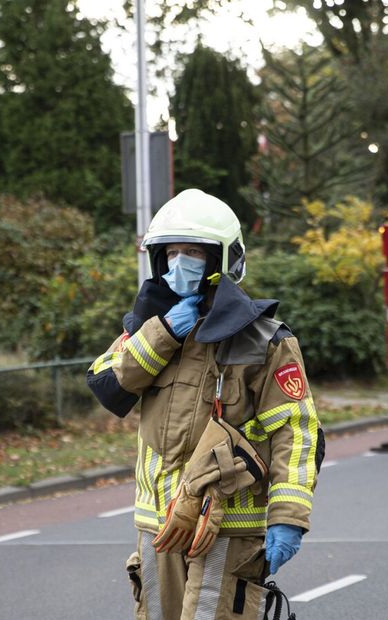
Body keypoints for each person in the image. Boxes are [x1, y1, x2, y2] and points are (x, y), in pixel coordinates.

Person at [85, 189, 323, 619]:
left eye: (193, 251)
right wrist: (162, 335)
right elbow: (108, 385)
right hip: (159, 528)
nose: (180, 263)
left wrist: (288, 515)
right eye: (171, 252)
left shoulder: (266, 341)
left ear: (224, 259)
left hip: (229, 529)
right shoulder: (147, 329)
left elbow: (297, 432)